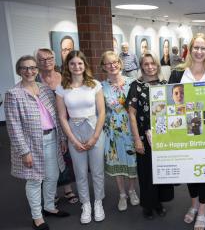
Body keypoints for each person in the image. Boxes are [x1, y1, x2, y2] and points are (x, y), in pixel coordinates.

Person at [5, 55, 70, 230]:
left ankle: (49, 207)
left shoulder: (45, 89)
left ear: (37, 70)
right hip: (32, 144)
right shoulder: (13, 94)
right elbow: (13, 127)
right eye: (25, 68)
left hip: (52, 138)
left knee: (52, 175)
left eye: (33, 67)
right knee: (34, 180)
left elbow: (56, 116)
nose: (29, 71)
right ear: (19, 71)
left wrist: (62, 138)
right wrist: (24, 152)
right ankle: (37, 217)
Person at [169, 33, 205, 230]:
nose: (199, 51)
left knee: (204, 172)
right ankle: (193, 206)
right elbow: (169, 101)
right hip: (184, 129)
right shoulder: (178, 73)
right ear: (190, 50)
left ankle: (202, 210)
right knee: (189, 171)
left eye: (203, 48)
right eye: (196, 48)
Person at [55, 50, 106, 224]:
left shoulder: (95, 85)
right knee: (80, 172)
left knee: (98, 171)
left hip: (94, 129)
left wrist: (95, 137)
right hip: (74, 131)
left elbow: (102, 112)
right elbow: (62, 116)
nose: (76, 67)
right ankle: (86, 204)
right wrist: (73, 140)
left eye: (80, 63)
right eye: (72, 64)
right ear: (67, 66)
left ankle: (98, 202)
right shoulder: (62, 88)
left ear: (85, 65)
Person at [126, 52, 174, 220]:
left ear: (157, 65)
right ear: (141, 66)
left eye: (153, 63)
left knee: (161, 170)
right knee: (146, 172)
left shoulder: (164, 84)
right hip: (144, 137)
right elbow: (131, 114)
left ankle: (158, 203)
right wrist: (137, 139)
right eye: (146, 64)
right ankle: (147, 205)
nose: (150, 67)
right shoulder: (135, 86)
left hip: (162, 135)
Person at [36, 48, 79, 205]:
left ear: (54, 60)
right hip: (45, 126)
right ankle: (51, 192)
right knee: (47, 159)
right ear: (37, 61)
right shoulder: (35, 79)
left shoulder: (63, 77)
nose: (46, 62)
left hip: (65, 123)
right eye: (42, 59)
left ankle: (68, 189)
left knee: (66, 157)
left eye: (49, 58)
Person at [100, 51, 140, 212]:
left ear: (120, 63)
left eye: (115, 61)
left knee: (132, 161)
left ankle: (132, 190)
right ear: (103, 67)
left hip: (131, 130)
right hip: (112, 133)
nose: (113, 65)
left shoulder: (133, 82)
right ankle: (122, 194)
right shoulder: (100, 87)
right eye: (108, 63)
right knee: (117, 162)